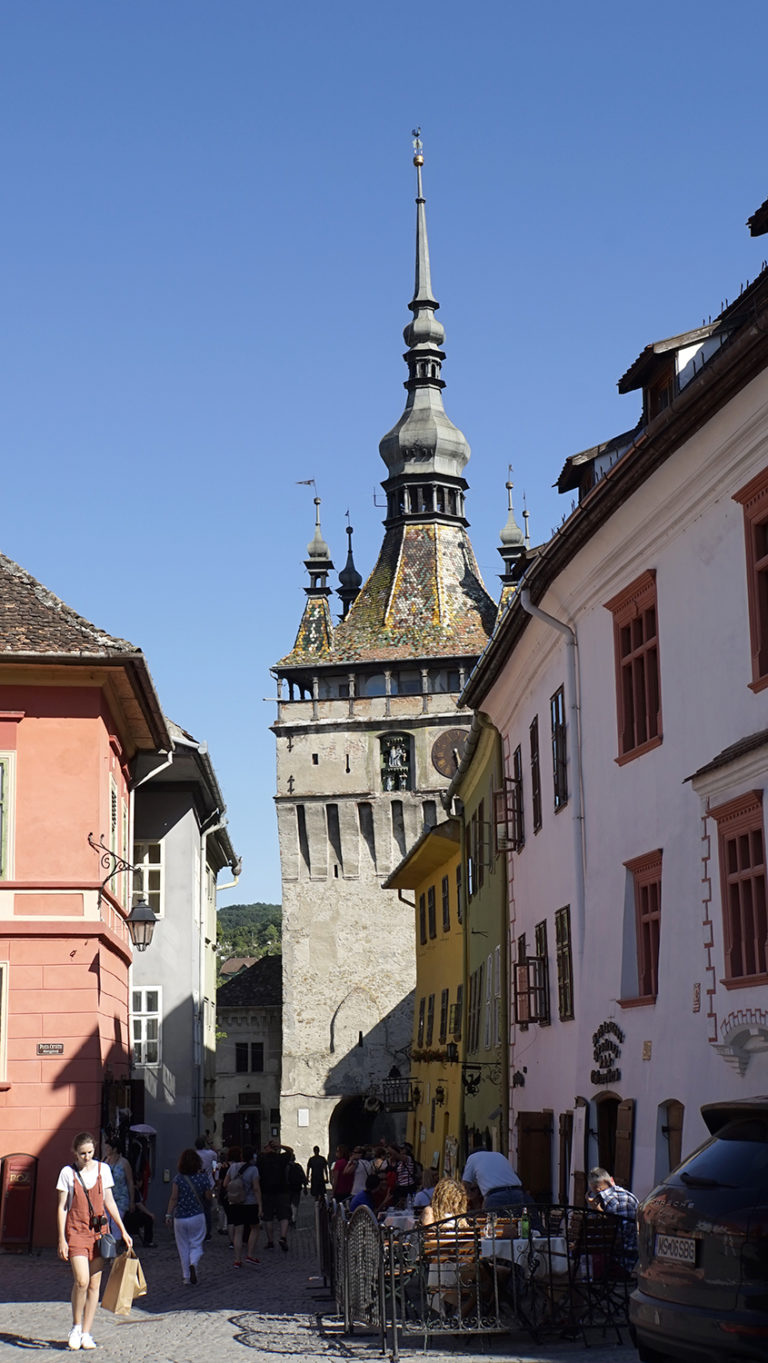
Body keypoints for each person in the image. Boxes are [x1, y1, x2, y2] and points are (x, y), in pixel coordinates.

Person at [56, 1129, 133, 1351]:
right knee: (81, 1281)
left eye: (90, 1152)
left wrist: (123, 1229)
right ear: (75, 1152)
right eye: (82, 1153)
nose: (87, 1157)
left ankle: (87, 1332)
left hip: (100, 1234)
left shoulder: (103, 1170)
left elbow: (109, 1202)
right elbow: (62, 1207)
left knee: (94, 1285)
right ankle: (76, 1326)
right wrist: (61, 1238)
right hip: (76, 1231)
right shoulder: (67, 1173)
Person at [165, 1148, 211, 1285]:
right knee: (196, 1243)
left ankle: (186, 1276)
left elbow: (173, 1198)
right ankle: (194, 1263)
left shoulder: (178, 1179)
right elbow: (208, 1196)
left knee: (182, 1246)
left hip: (180, 1217)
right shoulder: (202, 1178)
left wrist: (168, 1214)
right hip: (197, 1215)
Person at [586, 1166, 639, 1270]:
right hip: (635, 1259)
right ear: (612, 1180)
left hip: (620, 1261)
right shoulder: (629, 1196)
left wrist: (596, 1210)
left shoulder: (608, 1202)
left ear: (595, 1189)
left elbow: (611, 1239)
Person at [224, 1144, 262, 1267]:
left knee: (238, 1231)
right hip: (250, 1203)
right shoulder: (253, 1169)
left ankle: (237, 1259)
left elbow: (225, 1183)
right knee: (254, 1228)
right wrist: (260, 1205)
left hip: (235, 1202)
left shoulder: (233, 1167)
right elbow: (256, 1188)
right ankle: (250, 1255)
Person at [461, 1146, 529, 1212]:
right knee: (516, 1221)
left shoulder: (472, 1157)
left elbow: (465, 1183)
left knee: (494, 1222)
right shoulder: (498, 1155)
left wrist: (468, 1198)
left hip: (496, 1197)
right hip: (516, 1193)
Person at [257, 1139, 293, 1251]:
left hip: (266, 1191)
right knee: (284, 1215)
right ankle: (283, 1237)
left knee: (268, 1217)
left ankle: (270, 1241)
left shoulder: (261, 1159)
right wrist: (280, 1145)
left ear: (268, 1148)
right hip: (282, 1190)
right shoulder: (281, 1158)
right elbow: (290, 1151)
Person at [101, 1134, 134, 1246]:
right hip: (107, 1197)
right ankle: (108, 1249)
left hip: (121, 1198)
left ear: (114, 1149)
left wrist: (132, 1200)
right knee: (106, 1224)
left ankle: (114, 1252)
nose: (106, 1150)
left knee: (116, 1224)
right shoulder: (105, 1161)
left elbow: (130, 1182)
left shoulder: (124, 1163)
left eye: (108, 1148)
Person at [195, 1135, 217, 1240]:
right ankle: (207, 1232)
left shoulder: (194, 1154)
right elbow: (215, 1165)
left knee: (197, 1209)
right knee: (207, 1209)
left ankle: (198, 1231)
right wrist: (211, 1143)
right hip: (209, 1184)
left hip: (196, 1184)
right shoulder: (210, 1154)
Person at [287, 1154, 307, 1225]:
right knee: (295, 1204)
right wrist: (305, 1187)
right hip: (297, 1188)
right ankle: (294, 1218)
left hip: (288, 1188)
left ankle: (289, 1218)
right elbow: (303, 1177)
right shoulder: (298, 1166)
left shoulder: (286, 1166)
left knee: (288, 1203)